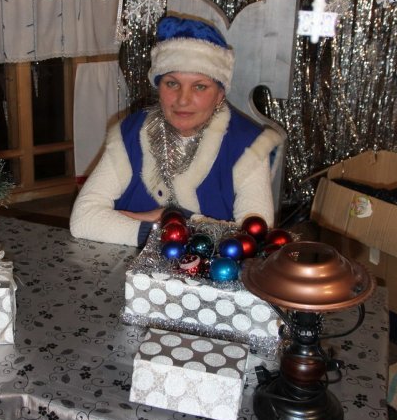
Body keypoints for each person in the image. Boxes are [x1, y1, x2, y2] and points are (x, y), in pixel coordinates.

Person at [70, 15, 282, 247]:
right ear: (158, 86)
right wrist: (163, 230)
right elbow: (83, 220)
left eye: (199, 86)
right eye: (172, 83)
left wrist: (169, 219)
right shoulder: (131, 132)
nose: (183, 100)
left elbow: (252, 239)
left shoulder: (248, 145)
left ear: (220, 94)